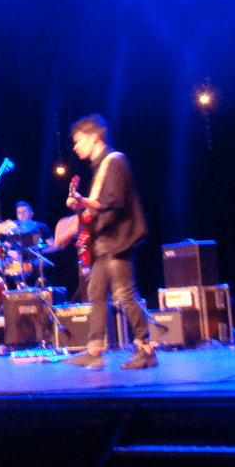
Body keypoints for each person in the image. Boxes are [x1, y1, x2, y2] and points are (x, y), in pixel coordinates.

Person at [63, 114, 155, 369]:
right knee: (95, 293)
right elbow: (97, 209)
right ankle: (94, 352)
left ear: (95, 138)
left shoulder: (115, 161)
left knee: (125, 295)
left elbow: (113, 201)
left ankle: (145, 348)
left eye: (79, 141)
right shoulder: (100, 167)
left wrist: (82, 202)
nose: (75, 146)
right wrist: (80, 209)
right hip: (104, 240)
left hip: (118, 239)